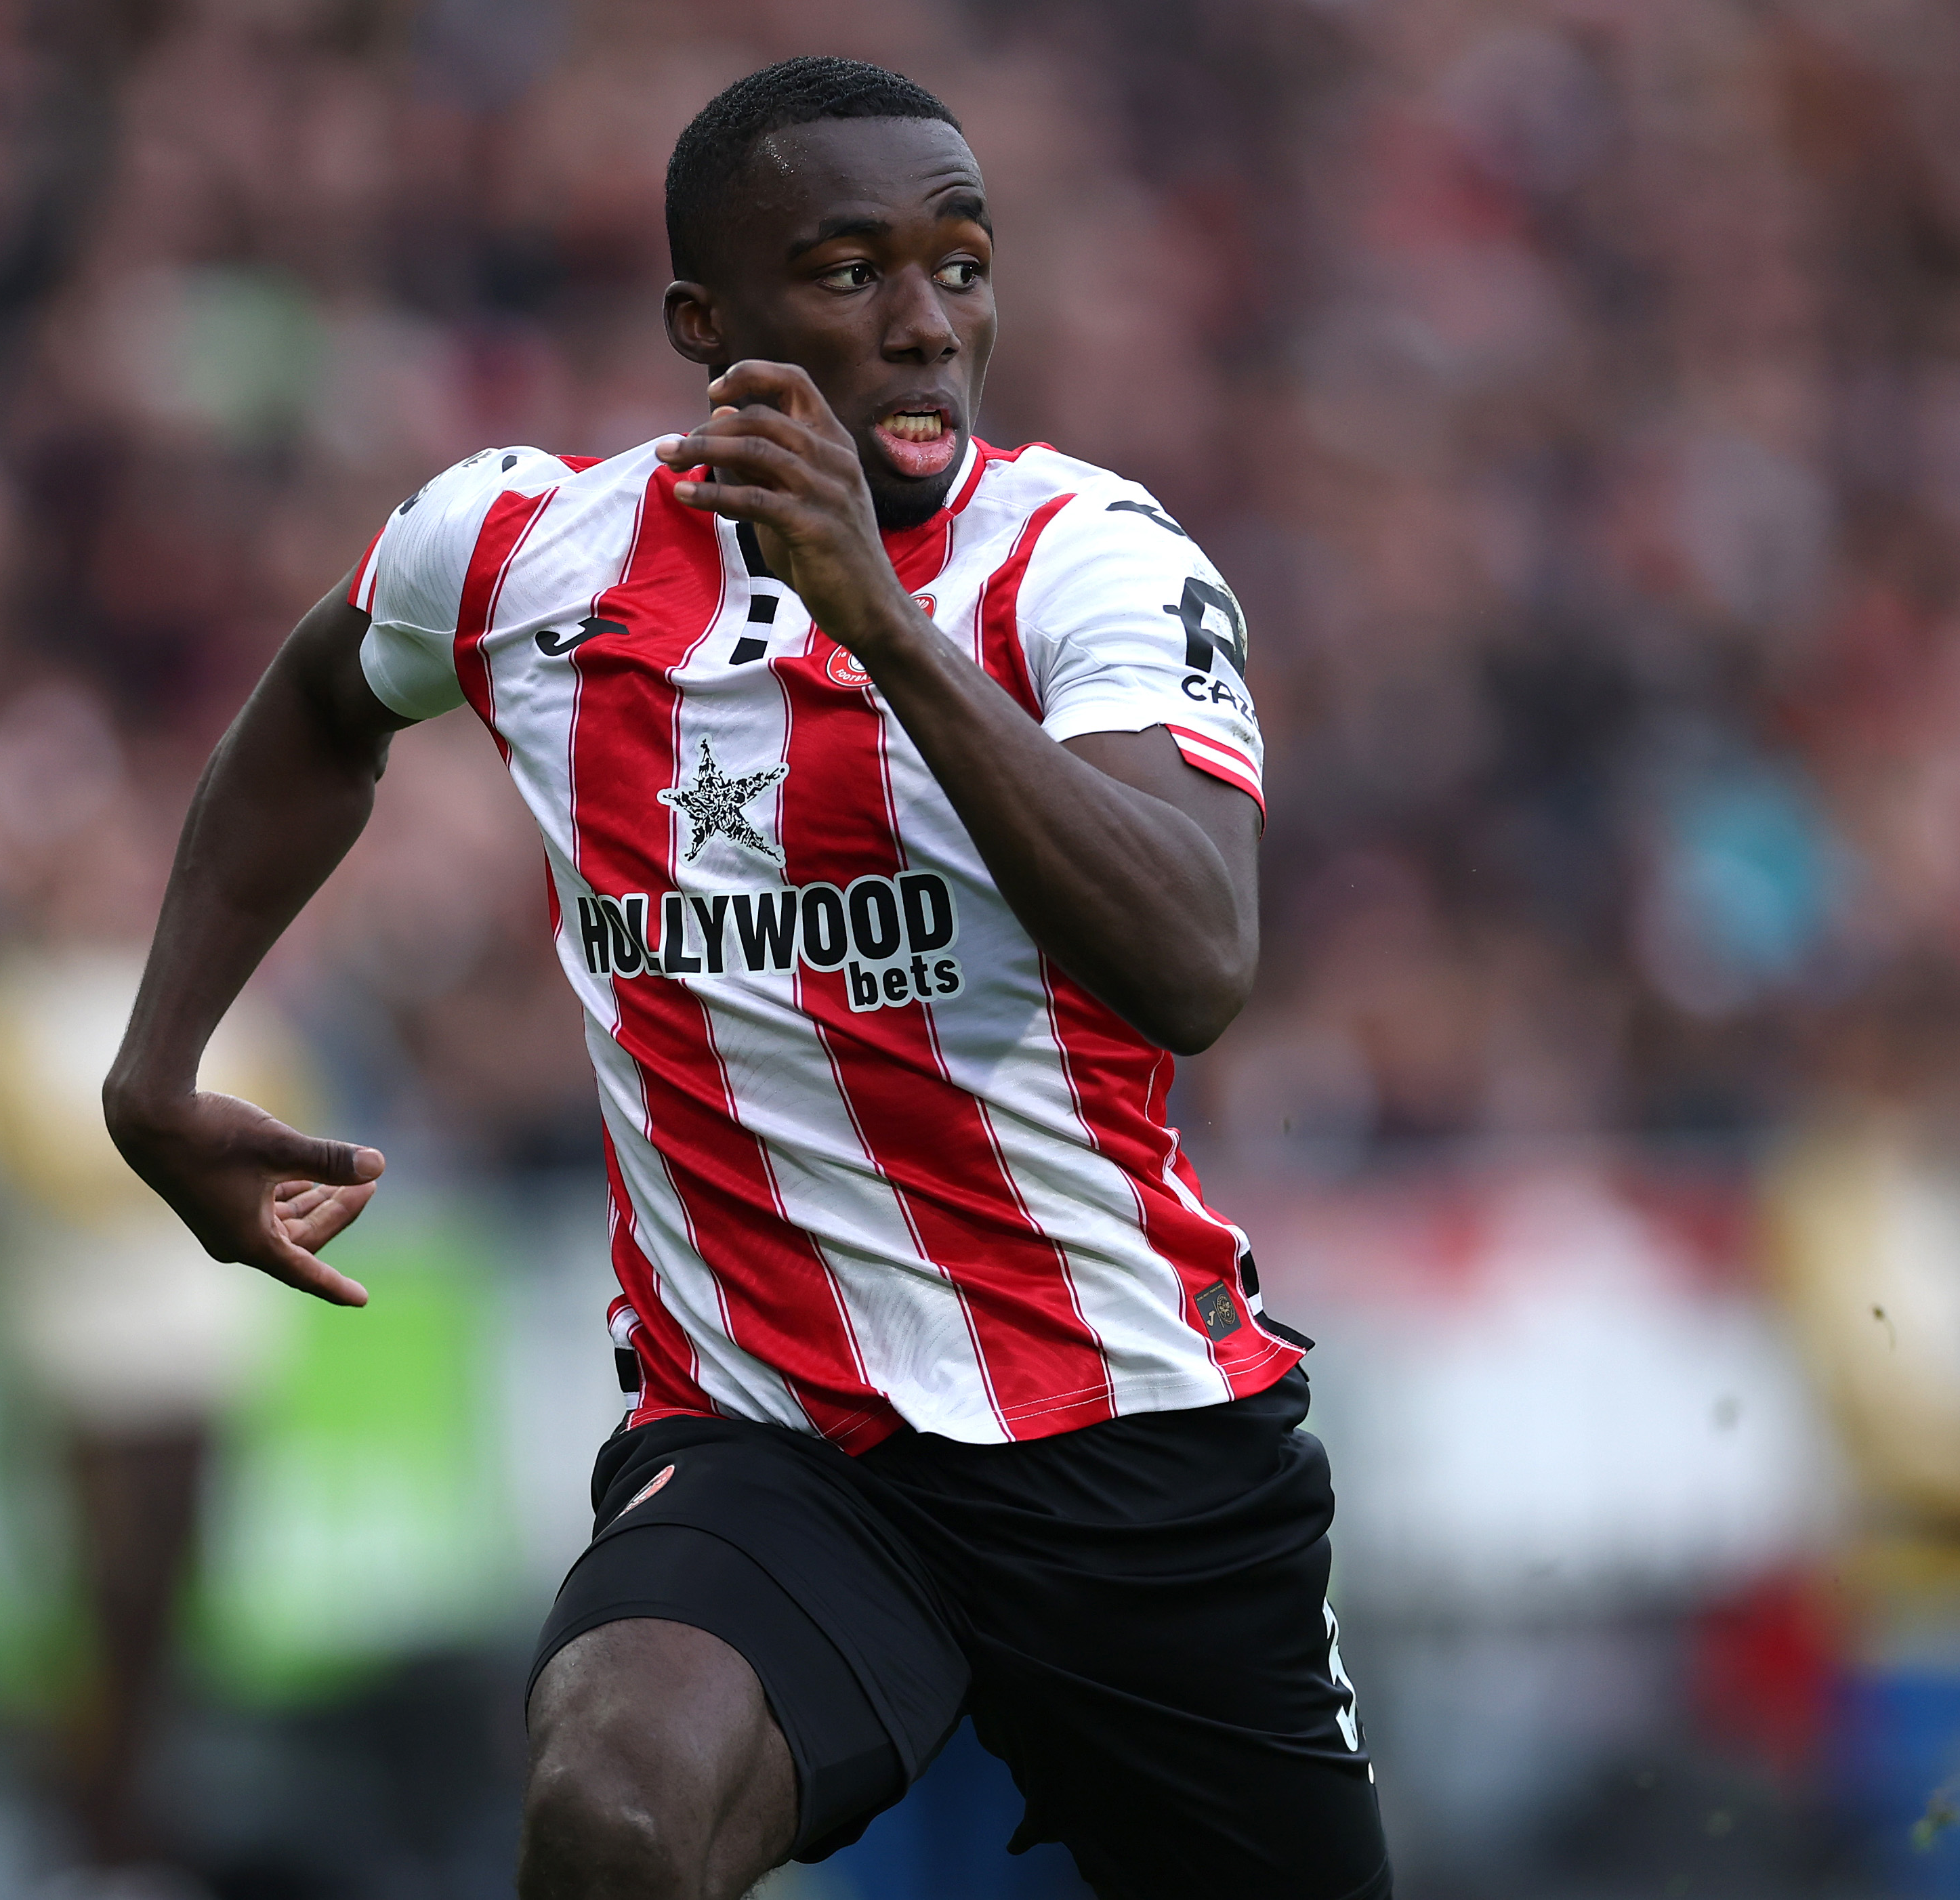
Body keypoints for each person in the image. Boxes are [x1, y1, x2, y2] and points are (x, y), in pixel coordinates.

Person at [104, 55, 1387, 1900]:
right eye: (852, 272)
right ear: (708, 324)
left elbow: (1193, 959)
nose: (926, 323)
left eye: (960, 264)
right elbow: (325, 700)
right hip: (776, 1441)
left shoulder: (1088, 564)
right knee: (611, 1809)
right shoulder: (523, 552)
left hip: (1127, 1440)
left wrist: (875, 618)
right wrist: (159, 1063)